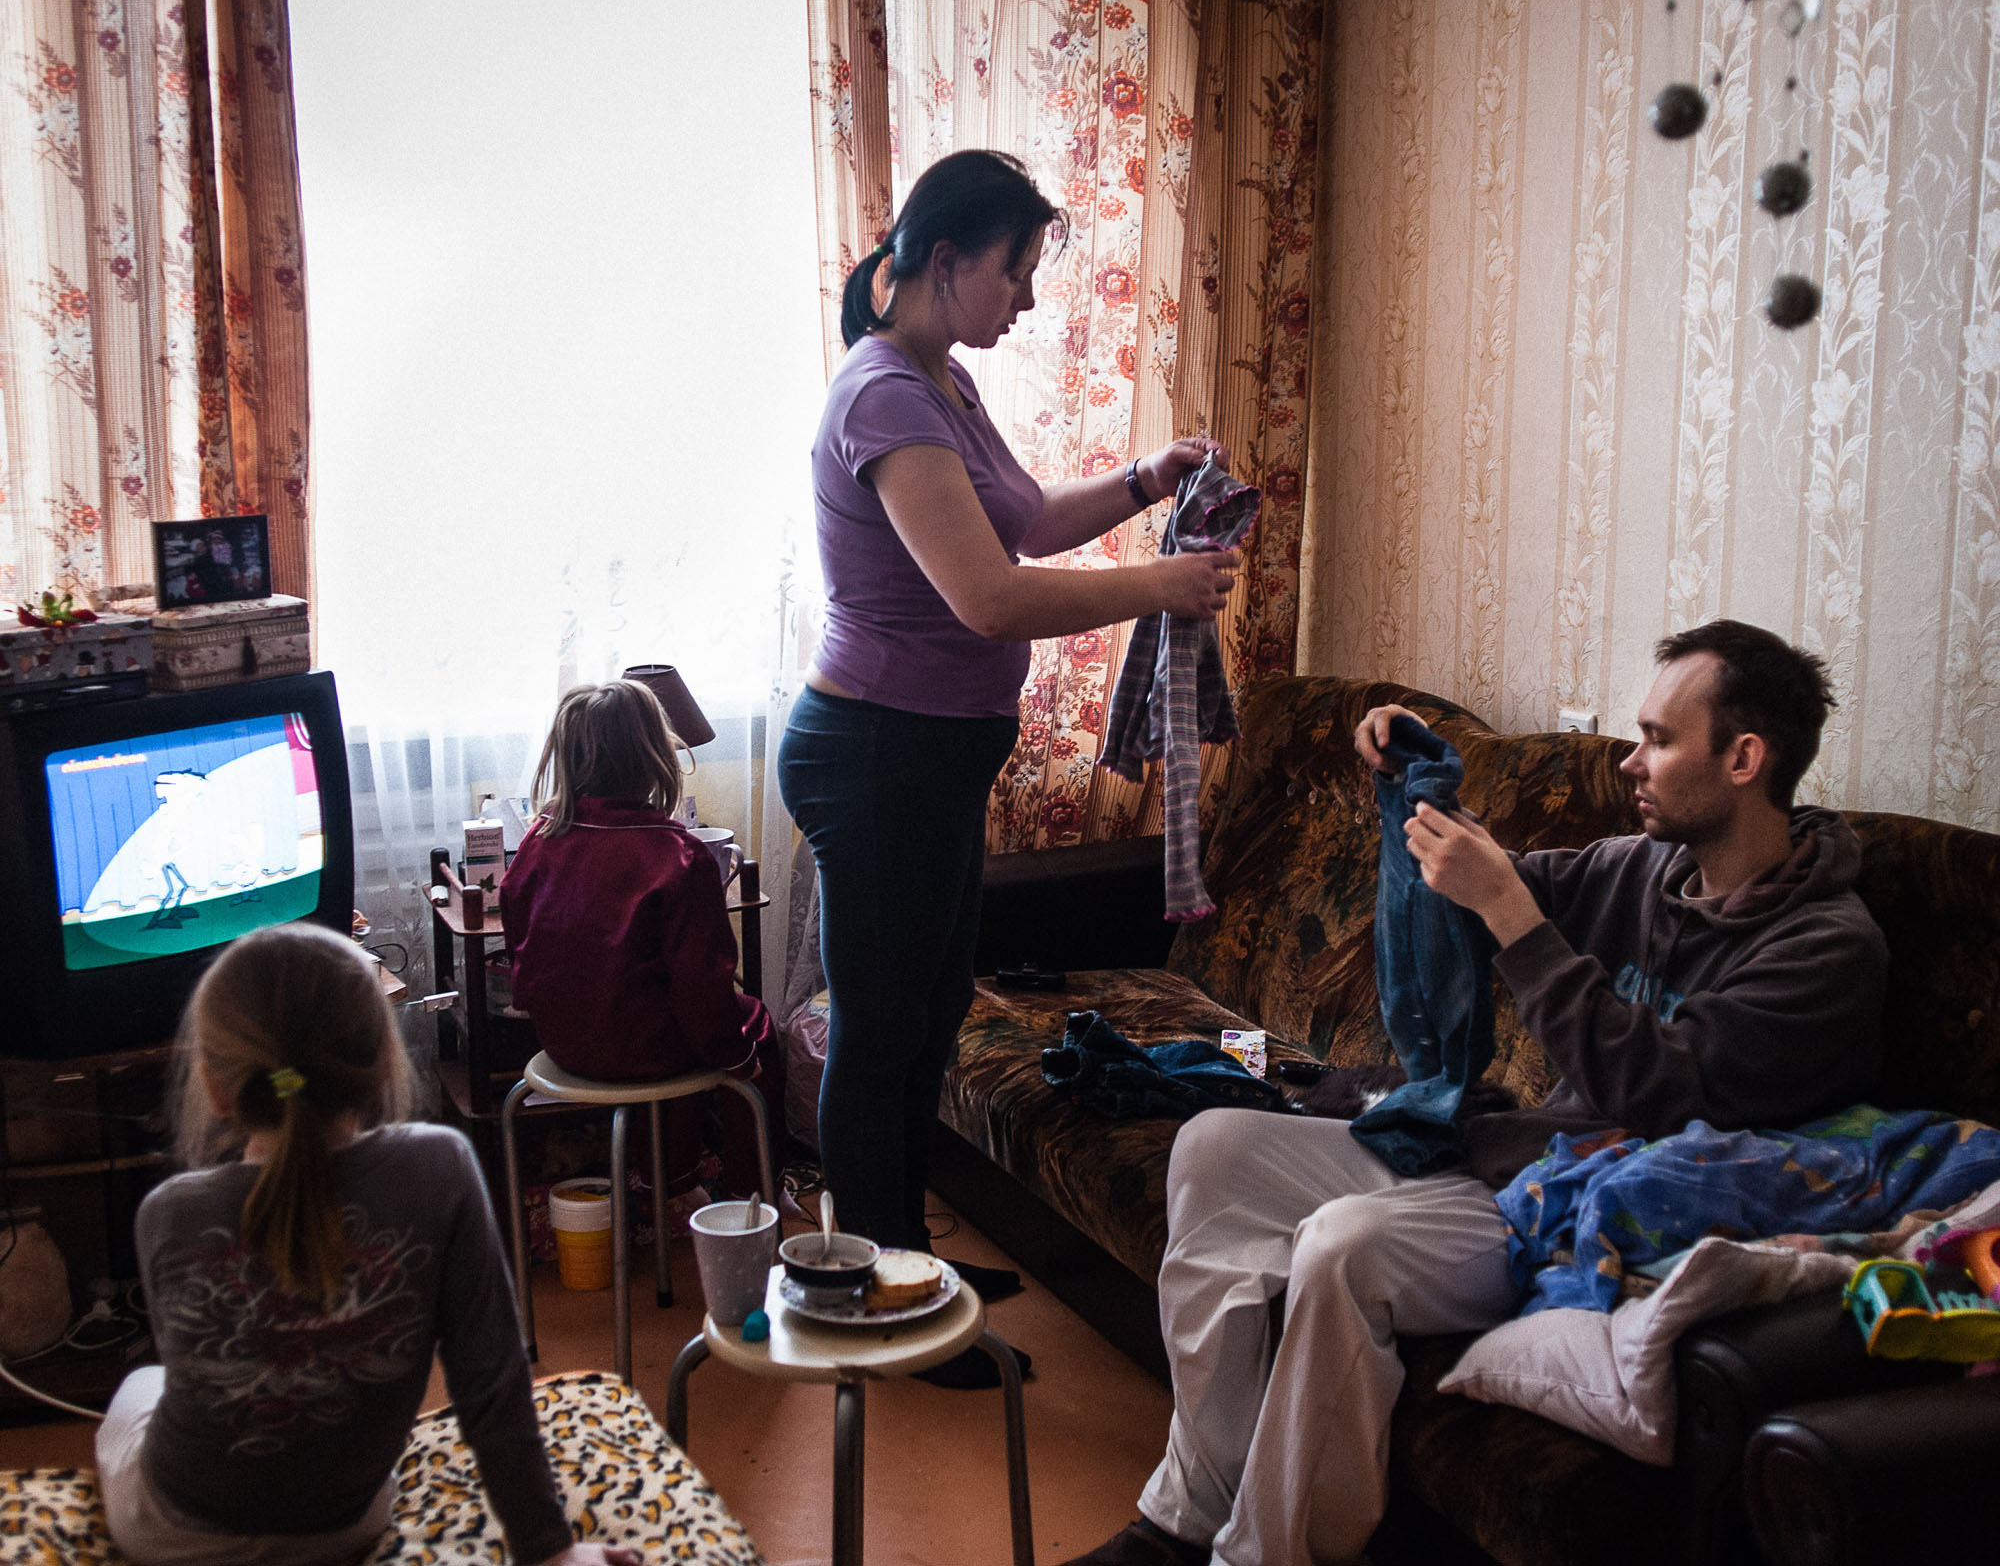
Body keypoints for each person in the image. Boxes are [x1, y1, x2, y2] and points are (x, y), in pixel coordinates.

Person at [1069, 619, 1889, 1565]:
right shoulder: (1653, 868)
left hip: (1617, 1214)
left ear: (1745, 758)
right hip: (1526, 1163)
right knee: (1216, 1145)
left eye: (1659, 739)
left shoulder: (1827, 949)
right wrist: (1416, 785)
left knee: (1344, 1242)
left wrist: (1507, 908)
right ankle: (1185, 1515)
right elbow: (1496, 890)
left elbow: (1657, 1093)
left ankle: (1268, 1553)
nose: (1631, 761)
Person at [775, 147, 1242, 1382]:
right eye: (1016, 271)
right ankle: (874, 1304)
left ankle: (902, 1260)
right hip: (876, 755)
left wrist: (1142, 482)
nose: (1028, 299)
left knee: (926, 1020)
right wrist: (1161, 582)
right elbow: (986, 596)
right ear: (946, 261)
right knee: (881, 1034)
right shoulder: (883, 396)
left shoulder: (941, 382)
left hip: (924, 760)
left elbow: (1021, 522)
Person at [95, 923, 639, 1566]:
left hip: (174, 1537)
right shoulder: (439, 1169)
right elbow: (490, 1379)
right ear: (382, 1060)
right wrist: (550, 1552)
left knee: (144, 1385)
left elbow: (215, 1389)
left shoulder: (166, 1214)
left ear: (215, 1086)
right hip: (344, 1526)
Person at [501, 679, 783, 1204]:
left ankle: (672, 1181)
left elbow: (519, 944)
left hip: (564, 1043)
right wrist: (740, 1059)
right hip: (647, 1048)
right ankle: (755, 1193)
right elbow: (702, 985)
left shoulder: (538, 841)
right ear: (654, 756)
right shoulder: (679, 855)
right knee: (751, 1026)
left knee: (667, 1017)